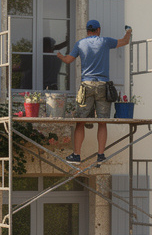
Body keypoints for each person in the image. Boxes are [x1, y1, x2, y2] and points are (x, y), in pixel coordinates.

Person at [56, 19, 131, 163]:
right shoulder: (104, 41)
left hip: (87, 85)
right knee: (102, 122)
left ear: (87, 31)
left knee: (81, 121)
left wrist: (60, 56)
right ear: (99, 30)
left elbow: (68, 60)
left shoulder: (80, 43)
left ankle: (76, 155)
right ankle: (101, 155)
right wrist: (128, 32)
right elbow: (124, 42)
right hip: (103, 85)